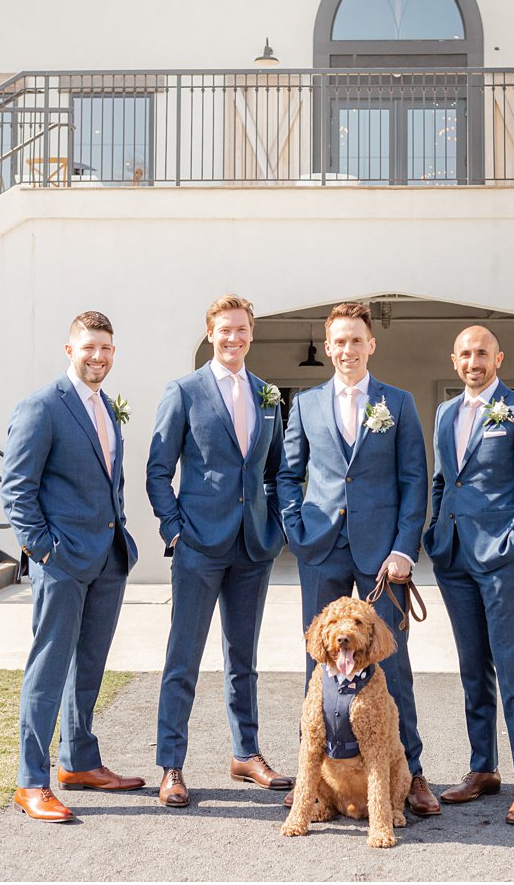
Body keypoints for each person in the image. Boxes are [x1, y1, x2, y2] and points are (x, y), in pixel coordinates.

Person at [276, 302, 441, 817]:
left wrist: (402, 549)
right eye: (339, 342)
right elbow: (287, 474)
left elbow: (415, 480)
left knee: (393, 664)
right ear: (328, 348)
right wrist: (298, 531)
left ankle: (409, 772)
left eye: (356, 341)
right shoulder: (304, 404)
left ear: (371, 345)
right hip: (321, 547)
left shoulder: (400, 402)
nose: (347, 350)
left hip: (382, 560)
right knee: (318, 664)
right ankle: (315, 779)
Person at [146, 295, 291, 808]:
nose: (234, 338)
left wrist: (274, 525)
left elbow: (276, 471)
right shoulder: (183, 391)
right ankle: (171, 765)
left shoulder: (268, 395)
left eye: (242, 330)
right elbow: (158, 471)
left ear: (252, 334)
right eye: (225, 330)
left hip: (253, 546)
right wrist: (174, 530)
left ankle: (245, 752)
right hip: (198, 546)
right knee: (182, 658)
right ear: (211, 334)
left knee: (243, 657)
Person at [1, 310, 144, 823]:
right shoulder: (42, 407)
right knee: (48, 669)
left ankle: (79, 761)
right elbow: (17, 490)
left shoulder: (106, 407)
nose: (98, 356)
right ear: (70, 350)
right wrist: (44, 550)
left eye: (106, 348)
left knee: (89, 667)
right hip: (61, 562)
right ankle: (31, 781)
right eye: (89, 348)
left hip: (107, 559)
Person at [423, 325, 514, 825]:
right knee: (472, 668)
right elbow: (442, 479)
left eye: (482, 353)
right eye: (465, 354)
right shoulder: (444, 412)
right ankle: (483, 768)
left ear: (498, 359)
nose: (473, 361)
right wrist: (436, 533)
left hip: (503, 559)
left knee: (513, 667)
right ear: (454, 360)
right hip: (453, 557)